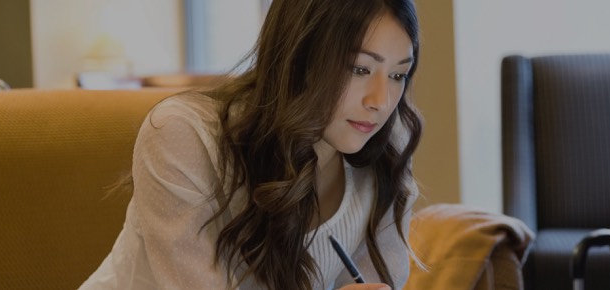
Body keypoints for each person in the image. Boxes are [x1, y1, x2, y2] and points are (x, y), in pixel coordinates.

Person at [79, 0, 423, 289]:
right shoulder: (184, 137)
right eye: (360, 69)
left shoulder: (387, 149)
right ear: (299, 55)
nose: (381, 101)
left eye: (397, 75)